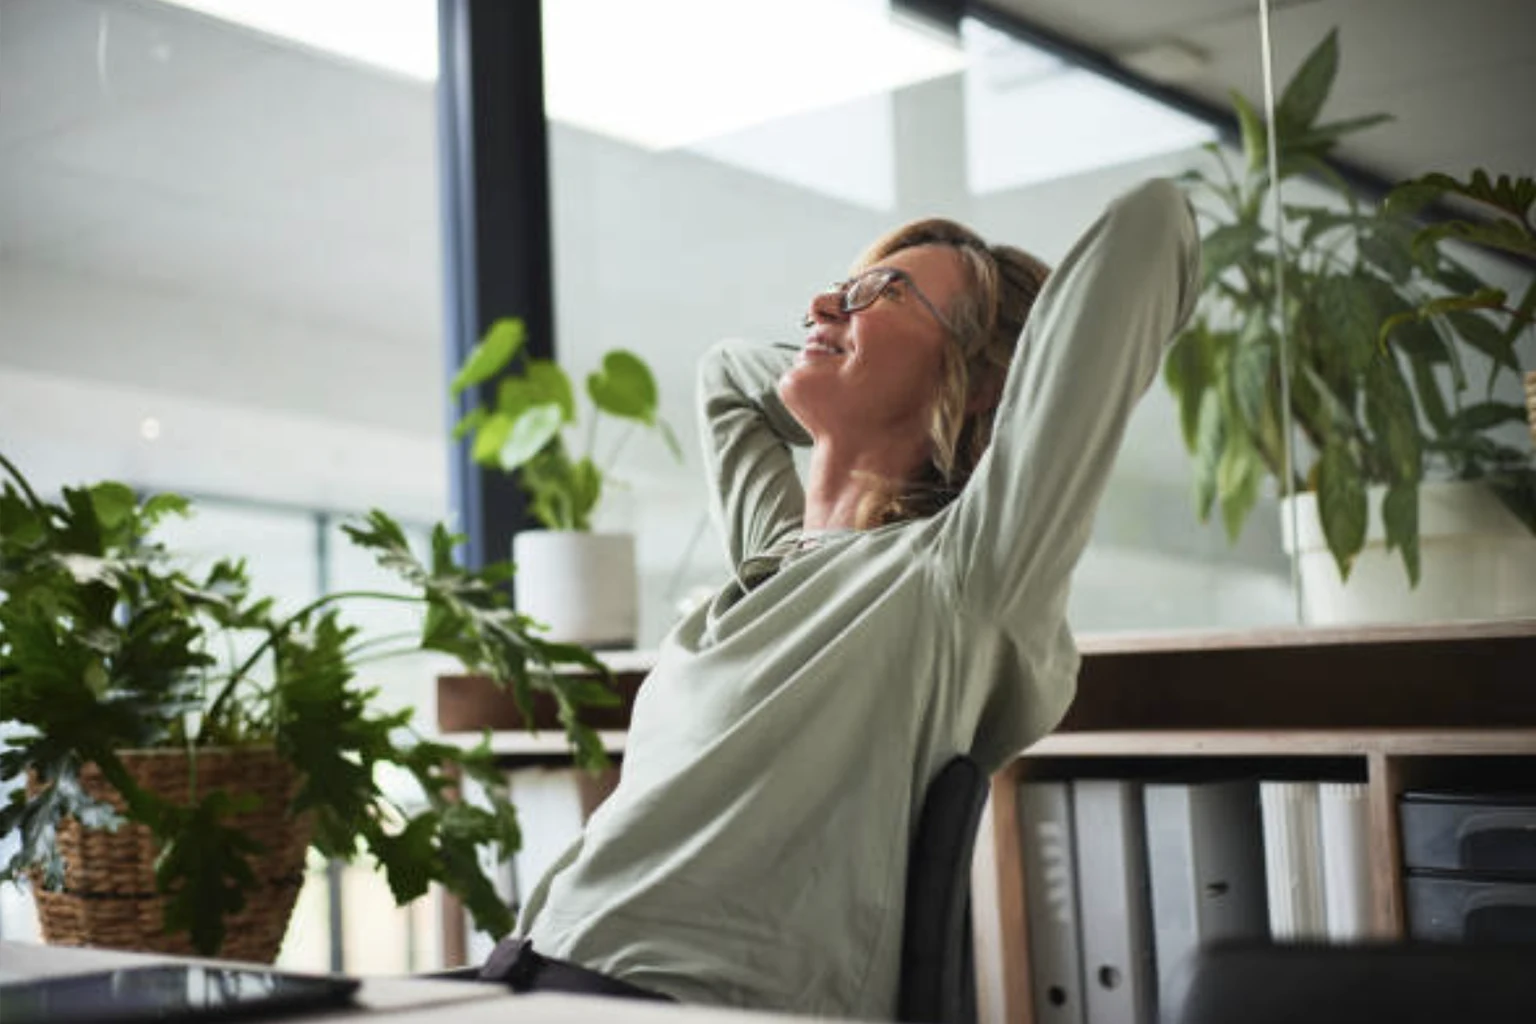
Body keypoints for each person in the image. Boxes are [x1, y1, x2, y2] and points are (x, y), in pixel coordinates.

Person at [503, 179, 1200, 1018]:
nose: (823, 302)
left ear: (979, 382)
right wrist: (856, 372)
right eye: (845, 286)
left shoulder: (961, 569)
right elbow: (725, 375)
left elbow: (1154, 226)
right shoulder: (773, 562)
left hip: (673, 1001)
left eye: (885, 293)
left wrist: (971, 397)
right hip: (530, 969)